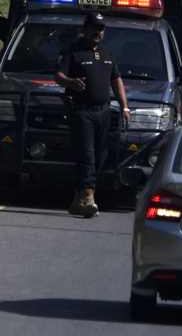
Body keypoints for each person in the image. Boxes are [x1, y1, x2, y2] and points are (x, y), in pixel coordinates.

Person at [55, 12, 130, 218]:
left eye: (101, 29)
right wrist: (70, 82)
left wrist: (124, 107)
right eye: (94, 28)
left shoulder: (107, 53)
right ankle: (88, 198)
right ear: (85, 28)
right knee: (86, 156)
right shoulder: (72, 51)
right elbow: (58, 75)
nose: (98, 32)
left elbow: (116, 81)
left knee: (100, 156)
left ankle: (80, 197)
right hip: (81, 112)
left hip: (104, 112)